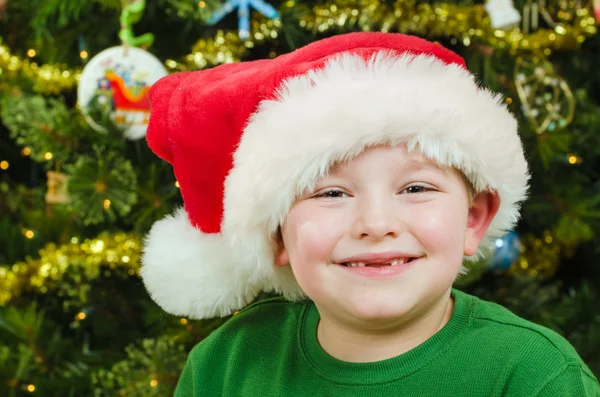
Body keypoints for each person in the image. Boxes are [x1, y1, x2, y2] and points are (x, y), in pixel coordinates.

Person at [140, 32, 600, 396]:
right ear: (277, 234)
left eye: (416, 188)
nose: (376, 224)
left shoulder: (535, 375)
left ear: (474, 218)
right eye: (331, 193)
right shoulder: (226, 364)